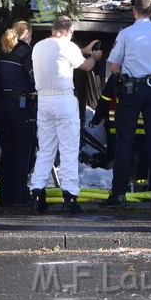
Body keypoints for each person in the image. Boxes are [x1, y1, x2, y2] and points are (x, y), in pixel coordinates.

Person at [99, 0, 151, 209]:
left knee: (124, 141)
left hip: (131, 90)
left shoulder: (126, 34)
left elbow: (114, 66)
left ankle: (118, 194)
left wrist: (121, 80)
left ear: (134, 12)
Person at [28, 17, 102, 214]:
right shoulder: (68, 48)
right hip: (63, 100)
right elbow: (85, 66)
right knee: (68, 150)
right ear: (69, 31)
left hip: (44, 101)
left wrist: (82, 50)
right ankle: (69, 198)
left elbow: (61, 55)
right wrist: (93, 56)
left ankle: (37, 195)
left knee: (45, 150)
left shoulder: (39, 46)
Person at [0, 21, 36, 208]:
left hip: (3, 104)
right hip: (21, 106)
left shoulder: (3, 52)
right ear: (26, 35)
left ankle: (5, 197)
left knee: (7, 151)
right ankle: (20, 198)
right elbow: (35, 80)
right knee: (23, 151)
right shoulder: (26, 52)